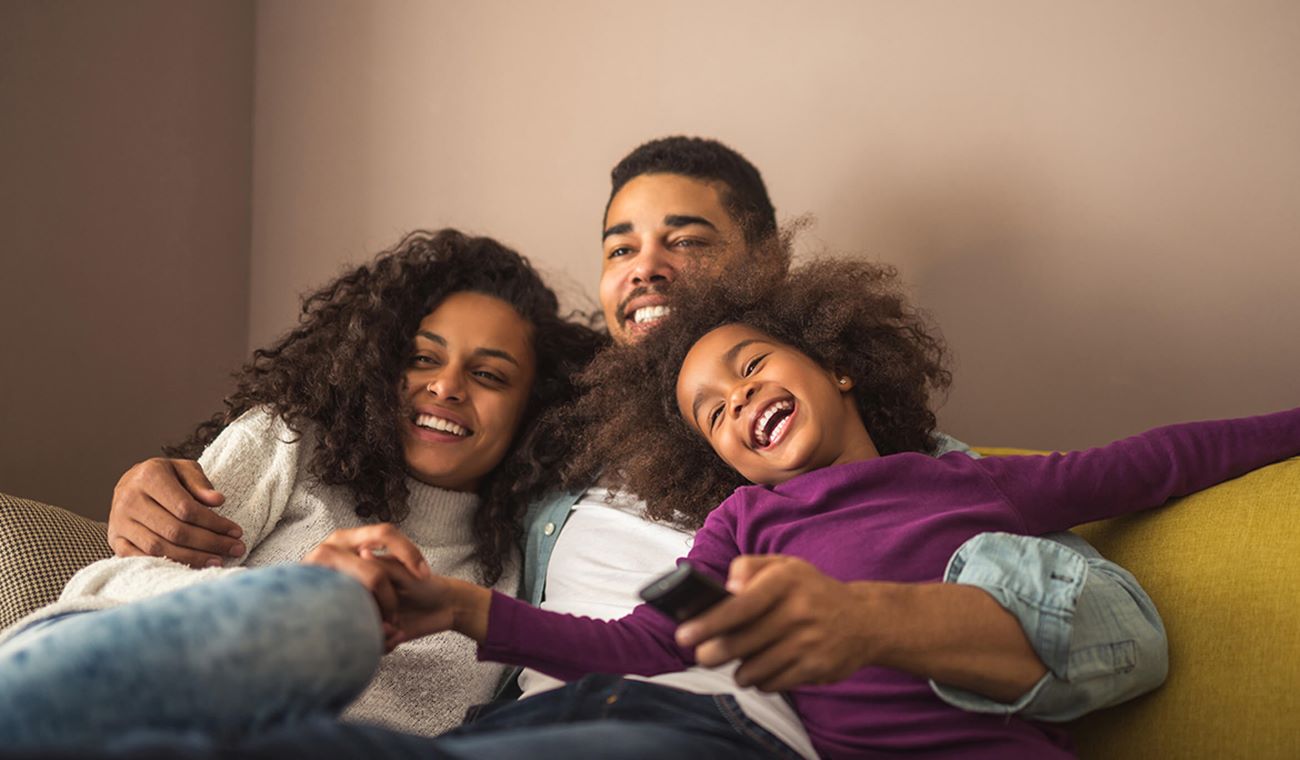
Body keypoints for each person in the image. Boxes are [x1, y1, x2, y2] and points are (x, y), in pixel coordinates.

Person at [95, 138, 1167, 756]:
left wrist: (865, 617)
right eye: (619, 246)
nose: (644, 267)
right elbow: (385, 411)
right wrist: (163, 470)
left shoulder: (861, 458)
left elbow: (1115, 639)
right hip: (530, 723)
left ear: (764, 265)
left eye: (685, 240)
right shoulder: (550, 426)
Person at [376, 256, 1300, 758]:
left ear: (837, 363)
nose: (737, 401)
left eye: (750, 368)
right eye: (711, 412)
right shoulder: (740, 529)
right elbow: (640, 646)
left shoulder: (964, 481)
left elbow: (1164, 460)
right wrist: (467, 610)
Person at [0, 229, 603, 749]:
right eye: (422, 358)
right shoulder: (294, 441)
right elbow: (108, 583)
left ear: (535, 410)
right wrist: (305, 601)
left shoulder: (519, 566)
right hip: (101, 678)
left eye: (488, 374)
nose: (445, 387)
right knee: (332, 611)